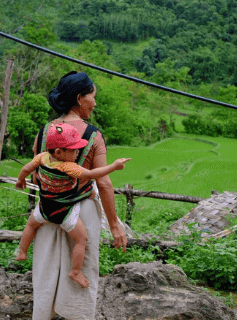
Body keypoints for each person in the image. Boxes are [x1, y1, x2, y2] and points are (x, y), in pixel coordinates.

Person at [25, 71, 128, 319]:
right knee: (82, 269)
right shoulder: (92, 135)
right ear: (80, 98)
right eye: (93, 96)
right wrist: (114, 225)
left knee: (46, 270)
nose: (95, 102)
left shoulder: (45, 132)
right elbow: (103, 183)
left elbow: (36, 175)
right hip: (82, 214)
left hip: (49, 212)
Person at [15, 123, 131, 288]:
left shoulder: (41, 158)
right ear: (58, 152)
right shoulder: (68, 167)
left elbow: (26, 168)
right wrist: (114, 166)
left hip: (44, 208)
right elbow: (92, 174)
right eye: (74, 150)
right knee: (81, 239)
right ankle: (75, 272)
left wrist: (20, 180)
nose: (78, 153)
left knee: (31, 225)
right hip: (63, 211)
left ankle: (22, 251)